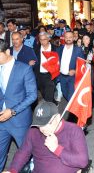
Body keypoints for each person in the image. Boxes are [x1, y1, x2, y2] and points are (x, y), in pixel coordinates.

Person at [3, 101, 89, 173]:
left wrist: (57, 149)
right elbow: (23, 152)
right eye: (40, 125)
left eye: (47, 124)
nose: (43, 129)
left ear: (58, 118)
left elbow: (82, 161)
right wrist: (13, 170)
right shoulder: (33, 131)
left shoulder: (73, 130)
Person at [0, 39, 37, 171]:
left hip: (19, 121)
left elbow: (32, 95)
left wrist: (13, 111)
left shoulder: (24, 69)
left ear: (7, 52)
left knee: (27, 155)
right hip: (1, 121)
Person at [57, 31, 84, 101]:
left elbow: (82, 64)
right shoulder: (59, 49)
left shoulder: (78, 50)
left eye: (70, 37)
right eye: (66, 37)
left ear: (74, 38)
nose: (68, 39)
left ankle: (73, 110)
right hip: (62, 76)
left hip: (72, 77)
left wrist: (75, 71)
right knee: (64, 92)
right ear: (64, 38)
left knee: (71, 97)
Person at [34, 32, 57, 103]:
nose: (42, 41)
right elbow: (33, 58)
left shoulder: (54, 48)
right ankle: (53, 102)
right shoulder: (36, 48)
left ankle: (49, 110)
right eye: (41, 40)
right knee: (43, 92)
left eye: (44, 39)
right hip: (39, 74)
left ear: (48, 39)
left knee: (48, 95)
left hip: (50, 74)